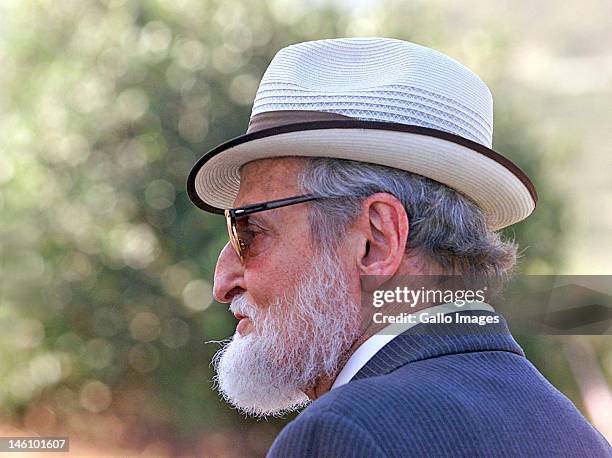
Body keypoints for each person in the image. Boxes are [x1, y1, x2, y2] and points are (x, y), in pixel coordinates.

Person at [186, 38, 611, 457]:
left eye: (250, 232)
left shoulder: (343, 434)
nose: (222, 281)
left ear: (375, 240)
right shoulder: (572, 430)